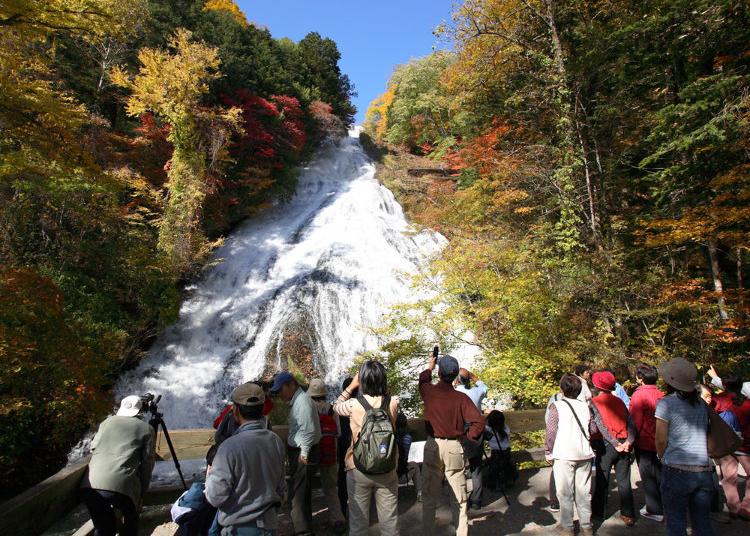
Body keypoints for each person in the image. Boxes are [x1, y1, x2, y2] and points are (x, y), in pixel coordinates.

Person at [205, 383, 286, 535]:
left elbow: (215, 496)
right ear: (262, 410)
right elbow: (281, 486)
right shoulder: (276, 441)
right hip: (270, 525)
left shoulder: (228, 448)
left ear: (235, 410)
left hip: (238, 527)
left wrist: (210, 474)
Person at [419, 353, 484, 536]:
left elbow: (423, 379)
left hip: (433, 445)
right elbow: (479, 422)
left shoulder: (429, 392)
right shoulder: (461, 399)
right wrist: (467, 437)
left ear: (439, 373)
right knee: (460, 498)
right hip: (454, 447)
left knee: (429, 497)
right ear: (455, 375)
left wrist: (429, 366)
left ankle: (428, 532)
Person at [333, 360, 400, 536]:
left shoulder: (352, 405)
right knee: (390, 525)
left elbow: (335, 406)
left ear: (362, 380)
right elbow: (388, 396)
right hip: (387, 467)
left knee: (358, 525)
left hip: (357, 469)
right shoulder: (393, 402)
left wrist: (352, 385)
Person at [80, 395, 156, 536]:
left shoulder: (106, 422)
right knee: (131, 522)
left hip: (90, 485)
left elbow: (93, 447)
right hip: (122, 487)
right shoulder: (147, 429)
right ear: (140, 411)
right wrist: (141, 494)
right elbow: (147, 464)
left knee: (102, 529)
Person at [655, 357, 714, 536]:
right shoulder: (701, 404)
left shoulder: (666, 403)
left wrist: (660, 455)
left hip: (676, 469)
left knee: (675, 523)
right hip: (703, 469)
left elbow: (661, 439)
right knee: (703, 523)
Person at [545, 374, 600, 536]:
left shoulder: (556, 406)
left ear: (562, 389)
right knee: (584, 492)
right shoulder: (586, 407)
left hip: (563, 453)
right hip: (584, 452)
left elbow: (551, 432)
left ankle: (567, 526)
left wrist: (548, 451)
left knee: (564, 492)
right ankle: (587, 526)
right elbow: (593, 429)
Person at [269, 372, 321, 536]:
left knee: (297, 495)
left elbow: (308, 431)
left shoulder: (303, 402)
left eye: (282, 389)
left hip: (302, 453)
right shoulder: (300, 400)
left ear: (292, 385)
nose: (280, 393)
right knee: (302, 493)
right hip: (302, 451)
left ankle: (303, 531)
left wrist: (303, 454)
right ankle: (306, 528)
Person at [590, 371, 637, 526]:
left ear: (597, 385)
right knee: (624, 480)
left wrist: (615, 443)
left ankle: (599, 513)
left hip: (605, 445)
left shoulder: (594, 402)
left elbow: (599, 426)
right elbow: (631, 423)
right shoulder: (620, 402)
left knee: (603, 479)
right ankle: (628, 514)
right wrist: (629, 441)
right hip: (624, 443)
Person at [706, 367, 750, 520]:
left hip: (725, 445)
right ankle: (747, 507)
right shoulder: (747, 403)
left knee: (728, 477)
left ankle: (734, 508)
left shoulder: (717, 401)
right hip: (745, 445)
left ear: (724, 385)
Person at [308, 378, 347, 534]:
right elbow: (338, 433)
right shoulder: (333, 409)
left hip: (311, 453)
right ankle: (338, 520)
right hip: (330, 454)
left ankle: (306, 522)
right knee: (331, 489)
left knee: (306, 489)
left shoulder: (308, 408)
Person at [629, 363, 665, 522]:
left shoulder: (639, 395)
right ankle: (665, 504)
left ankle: (654, 509)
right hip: (661, 441)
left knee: (648, 476)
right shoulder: (662, 394)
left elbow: (635, 421)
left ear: (640, 378)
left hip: (644, 441)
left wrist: (629, 440)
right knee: (660, 474)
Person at [454, 367, 488, 511]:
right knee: (476, 467)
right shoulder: (476, 392)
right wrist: (473, 376)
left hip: (460, 433)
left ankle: (460, 499)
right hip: (476, 432)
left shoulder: (455, 393)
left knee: (458, 467)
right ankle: (476, 501)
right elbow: (484, 387)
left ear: (456, 380)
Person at [337, 377, 356, 517]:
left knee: (342, 484)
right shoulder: (361, 406)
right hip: (358, 450)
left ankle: (342, 513)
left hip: (342, 449)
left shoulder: (341, 408)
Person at [484, 410, 517, 492]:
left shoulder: (489, 430)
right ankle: (507, 482)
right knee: (505, 467)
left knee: (496, 470)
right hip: (506, 452)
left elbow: (484, 426)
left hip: (496, 453)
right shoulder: (505, 429)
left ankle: (496, 485)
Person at [545, 390, 564, 512]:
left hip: (559, 441)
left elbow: (550, 427)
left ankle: (555, 502)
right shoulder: (581, 402)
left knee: (557, 470)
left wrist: (548, 450)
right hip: (578, 444)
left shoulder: (555, 403)